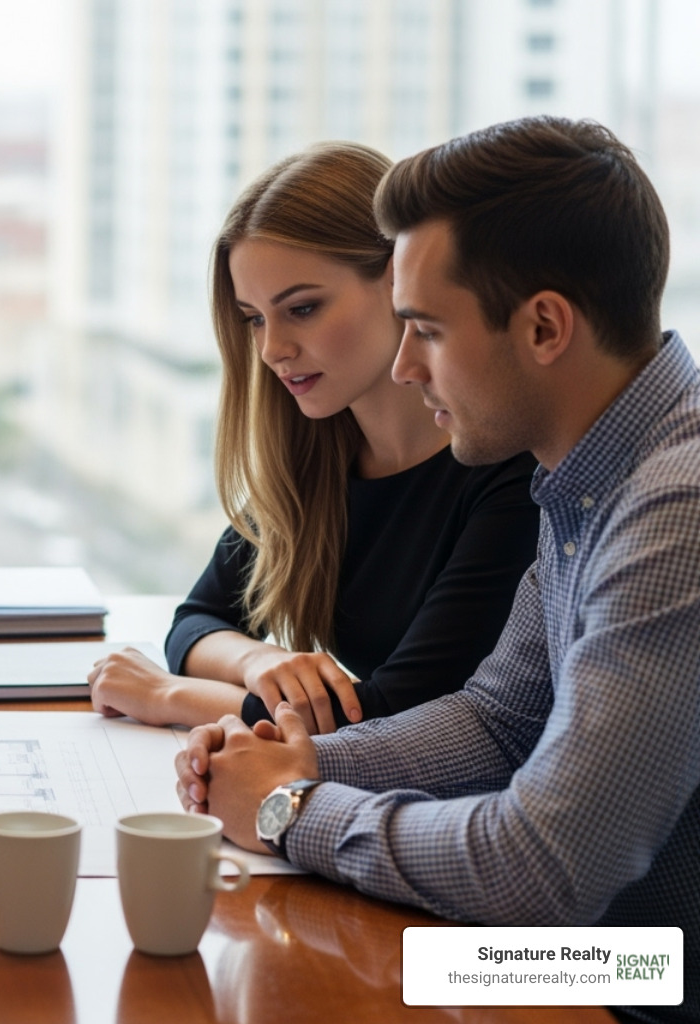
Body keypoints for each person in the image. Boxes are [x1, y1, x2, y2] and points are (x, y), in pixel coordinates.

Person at [178, 117, 698, 1024]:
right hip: (613, 951)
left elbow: (543, 868)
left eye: (424, 330)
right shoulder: (585, 474)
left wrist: (290, 810)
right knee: (282, 963)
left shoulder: (677, 509)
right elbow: (499, 721)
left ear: (543, 327)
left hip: (653, 976)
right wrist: (300, 759)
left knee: (330, 983)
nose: (406, 365)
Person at [89, 142, 538, 736]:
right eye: (254, 318)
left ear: (398, 281)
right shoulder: (317, 458)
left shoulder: (508, 472)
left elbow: (396, 717)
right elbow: (197, 620)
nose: (273, 349)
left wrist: (171, 696)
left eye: (301, 308)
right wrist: (258, 660)